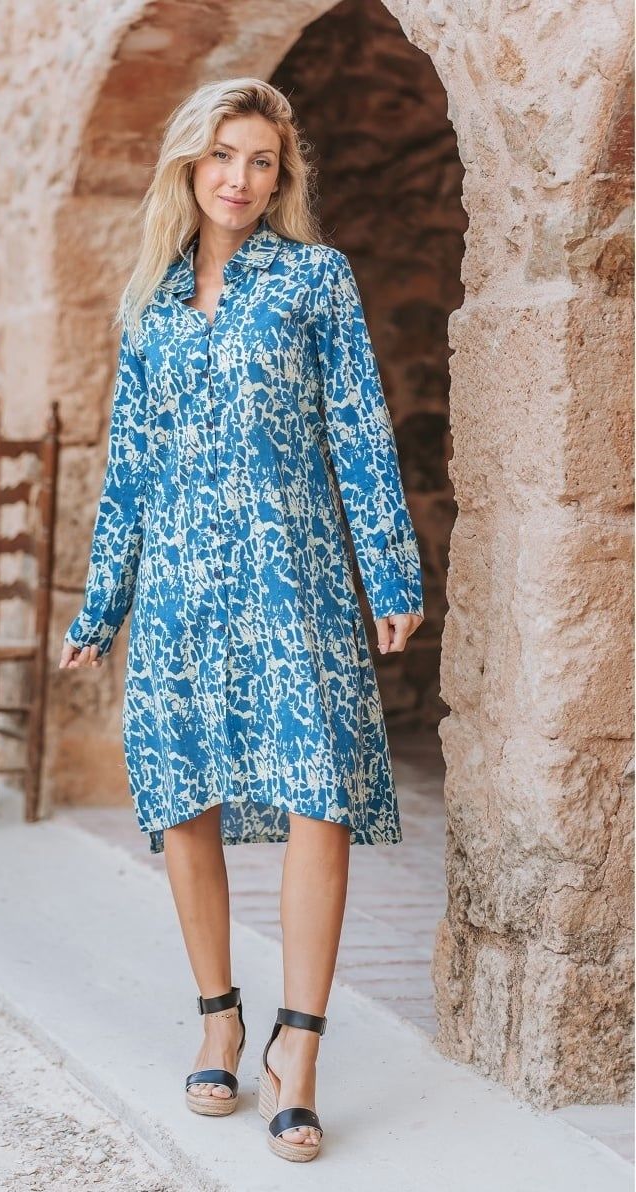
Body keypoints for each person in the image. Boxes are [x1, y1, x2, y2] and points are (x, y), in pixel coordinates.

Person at [59, 77, 424, 1163]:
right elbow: (130, 468)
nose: (240, 177)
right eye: (224, 154)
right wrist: (102, 602)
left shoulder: (315, 279)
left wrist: (390, 572)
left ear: (281, 179)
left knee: (321, 797)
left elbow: (359, 429)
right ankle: (219, 1017)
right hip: (179, 584)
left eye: (262, 161)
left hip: (293, 577)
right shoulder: (150, 303)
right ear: (190, 163)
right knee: (186, 799)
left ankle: (296, 1053)